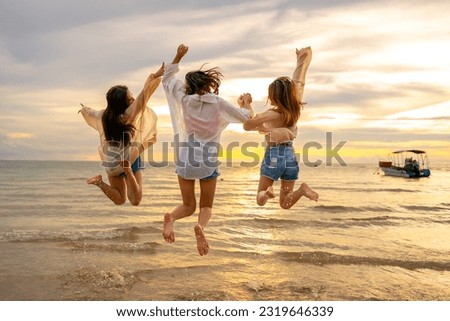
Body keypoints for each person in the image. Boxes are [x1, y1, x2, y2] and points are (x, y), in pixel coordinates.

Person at [162, 44, 254, 256]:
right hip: (207, 164)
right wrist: (246, 103)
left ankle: (171, 218)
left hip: (185, 161)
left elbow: (167, 79)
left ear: (189, 86)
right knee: (205, 208)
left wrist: (178, 55)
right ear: (208, 85)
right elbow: (246, 118)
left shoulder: (184, 99)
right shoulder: (218, 103)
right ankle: (200, 227)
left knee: (188, 205)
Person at [243, 47, 319, 208]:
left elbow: (247, 125)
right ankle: (302, 190)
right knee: (285, 203)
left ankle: (267, 193)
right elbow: (299, 81)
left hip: (274, 156)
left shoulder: (271, 114)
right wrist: (302, 59)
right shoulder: (295, 108)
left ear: (273, 96)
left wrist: (246, 105)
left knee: (259, 199)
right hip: (290, 157)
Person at [79, 63, 165, 206]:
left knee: (120, 200)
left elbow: (90, 112)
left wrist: (83, 109)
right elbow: (144, 95)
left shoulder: (102, 115)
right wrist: (155, 75)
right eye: (129, 98)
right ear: (122, 103)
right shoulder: (128, 114)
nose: (132, 99)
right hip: (128, 159)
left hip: (112, 162)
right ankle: (129, 172)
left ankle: (99, 183)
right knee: (135, 201)